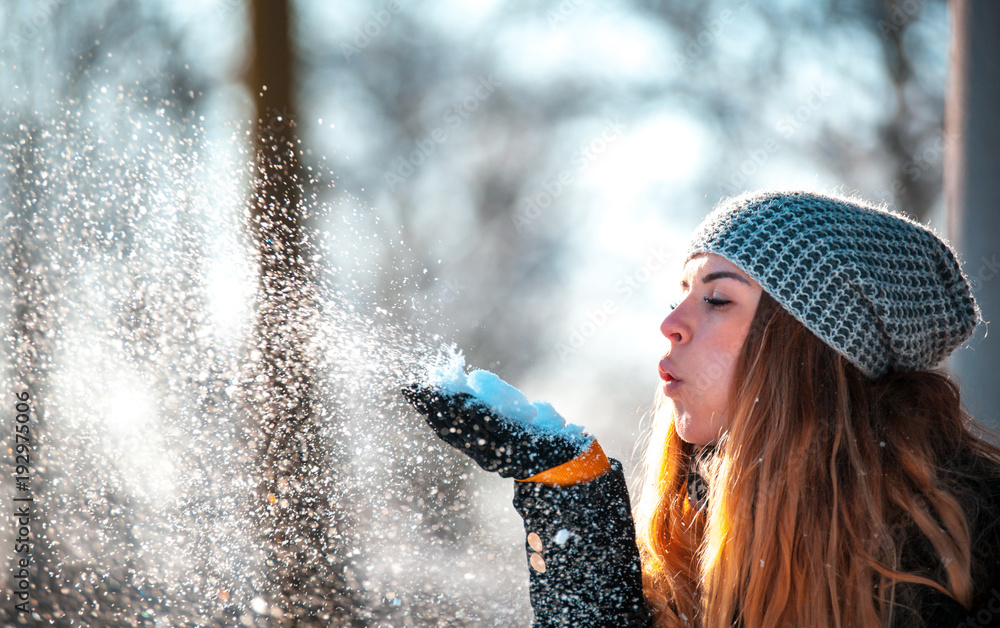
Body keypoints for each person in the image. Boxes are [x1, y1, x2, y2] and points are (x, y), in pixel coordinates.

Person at [403, 190, 1000, 628]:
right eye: (680, 296)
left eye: (717, 298)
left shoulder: (970, 553)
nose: (670, 324)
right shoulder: (691, 547)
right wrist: (575, 504)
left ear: (811, 349)